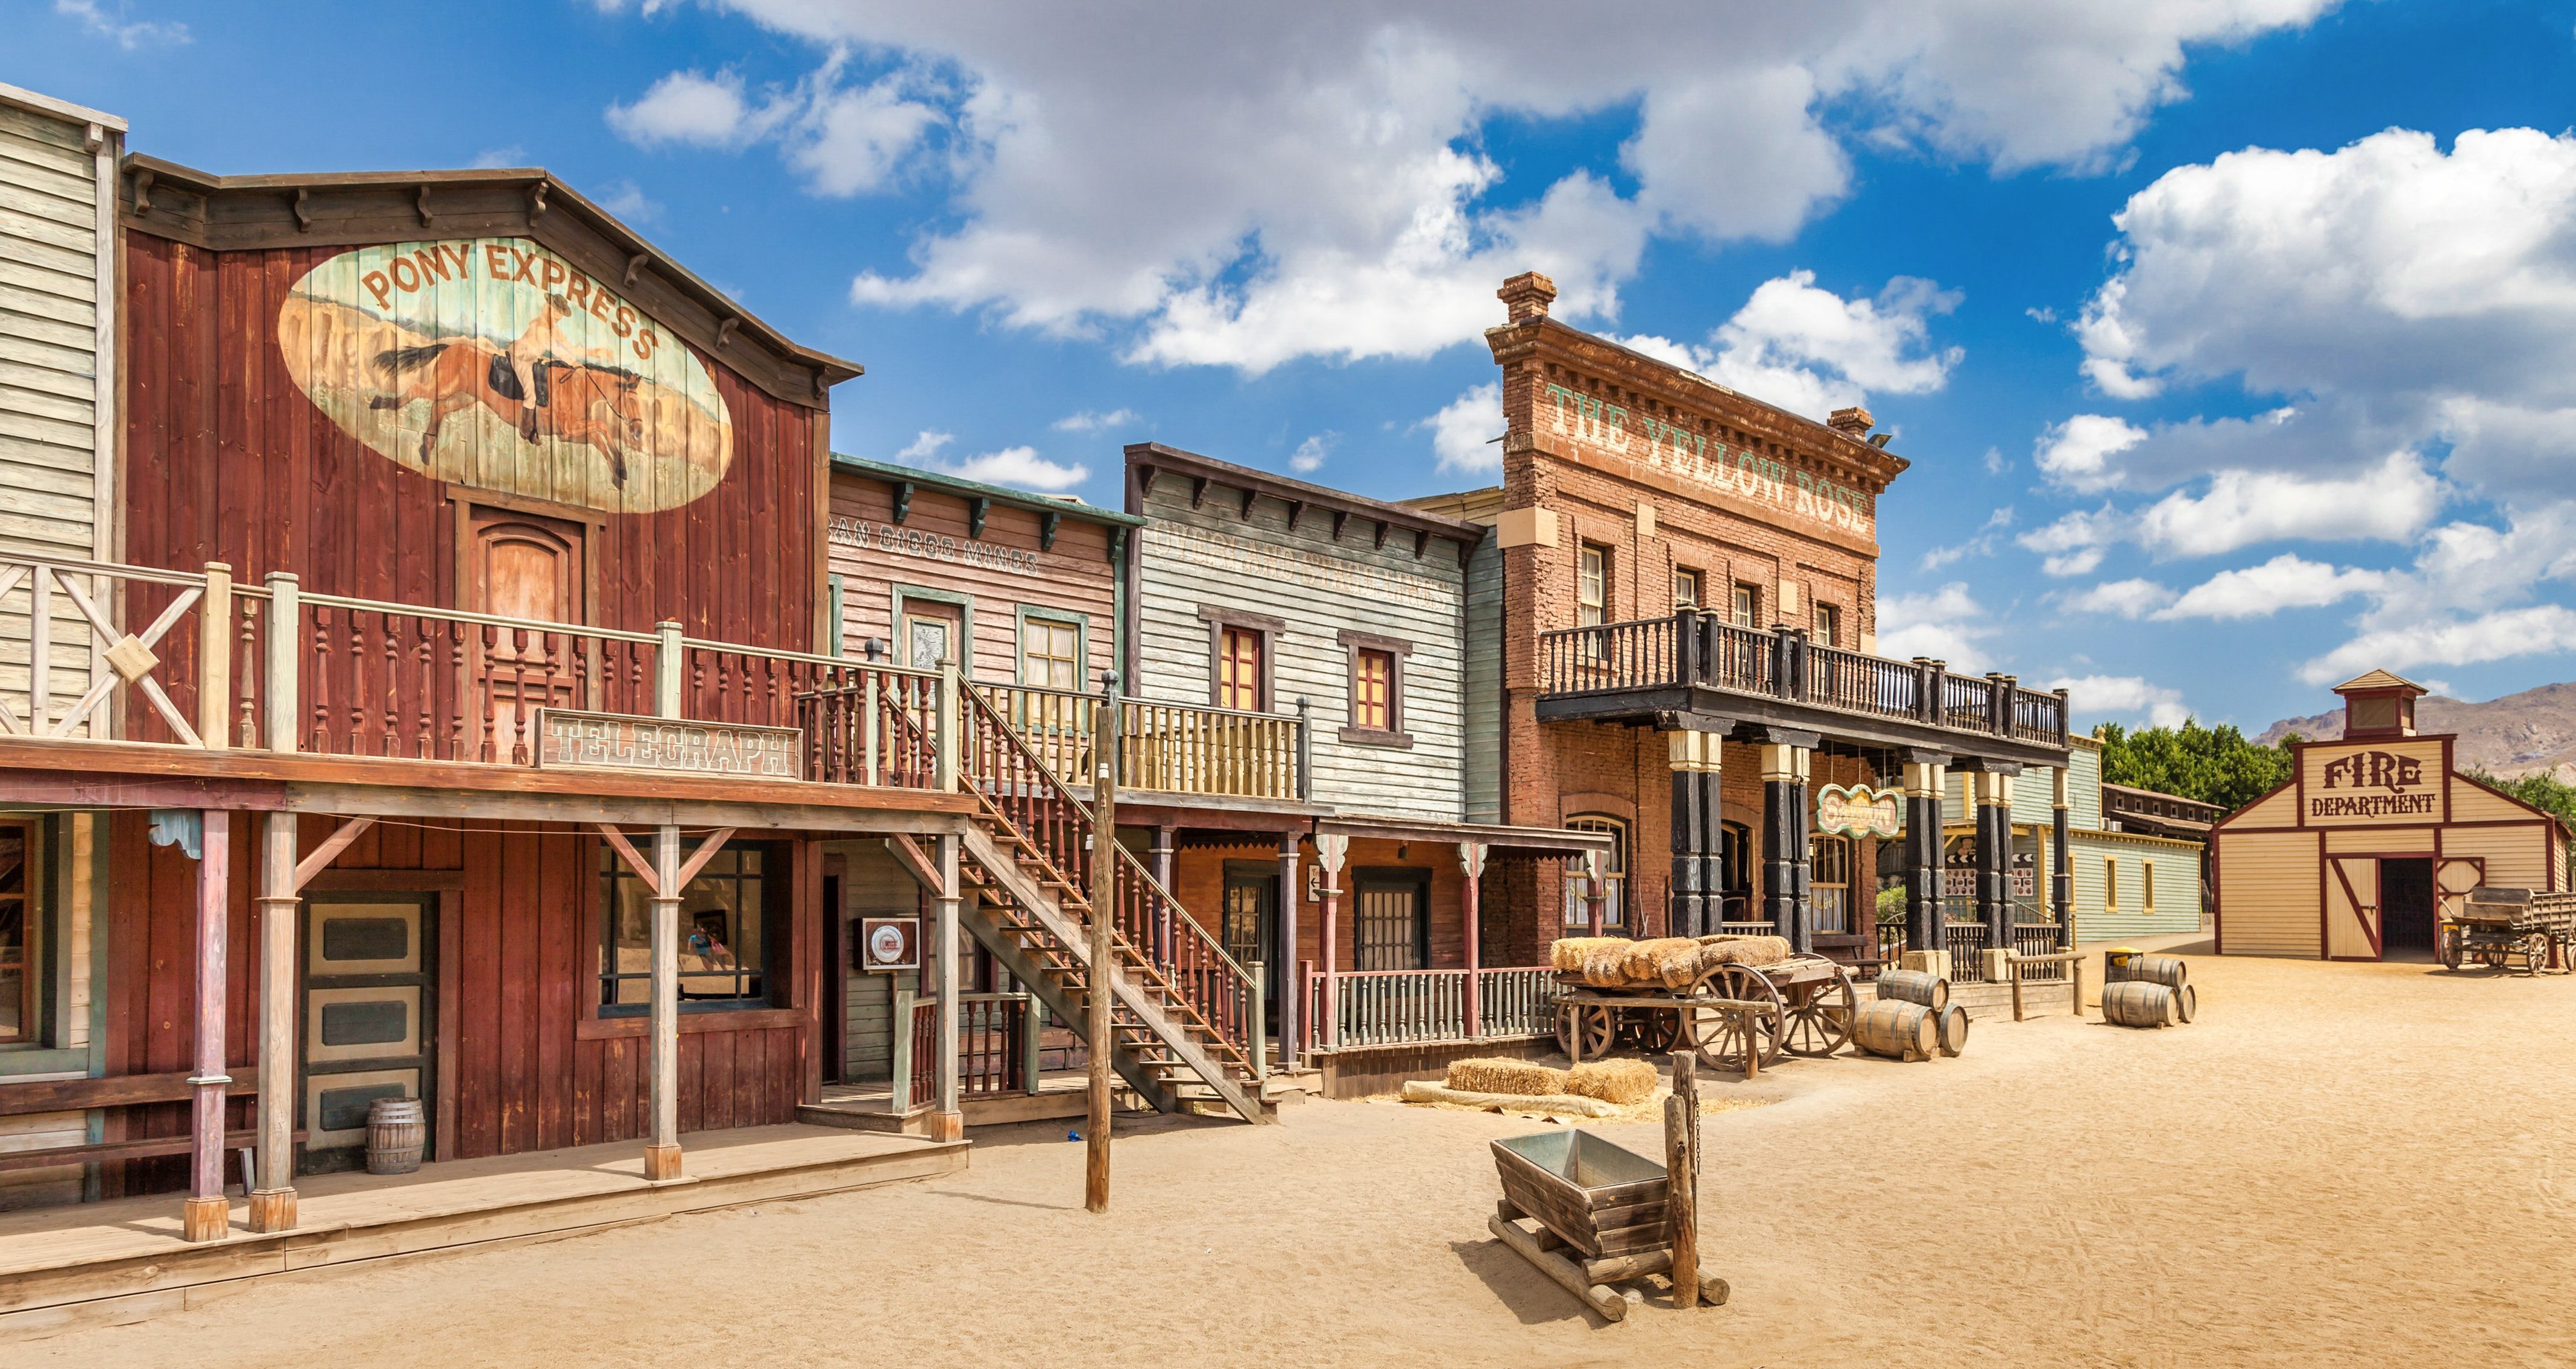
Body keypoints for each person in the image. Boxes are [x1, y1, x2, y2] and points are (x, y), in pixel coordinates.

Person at [501, 294, 617, 441]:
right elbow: (555, 348)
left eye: (561, 314)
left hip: (534, 358)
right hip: (522, 357)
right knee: (530, 393)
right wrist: (574, 363)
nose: (559, 317)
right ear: (548, 309)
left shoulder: (554, 329)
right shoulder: (539, 326)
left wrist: (594, 352)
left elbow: (571, 348)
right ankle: (526, 431)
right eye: (557, 313)